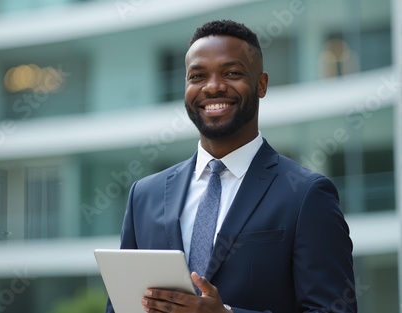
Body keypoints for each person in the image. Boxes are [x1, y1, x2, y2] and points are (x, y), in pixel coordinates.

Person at [105, 20, 357, 313]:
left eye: (232, 73)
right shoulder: (143, 196)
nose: (213, 87)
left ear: (261, 85)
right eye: (197, 76)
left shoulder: (306, 195)